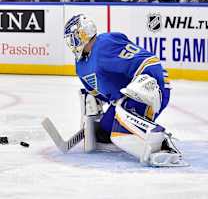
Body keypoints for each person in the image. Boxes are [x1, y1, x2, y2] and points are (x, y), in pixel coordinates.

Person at [63, 14, 187, 167]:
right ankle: (137, 130)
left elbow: (147, 61)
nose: (71, 44)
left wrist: (149, 81)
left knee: (121, 135)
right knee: (103, 133)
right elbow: (97, 94)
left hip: (151, 88)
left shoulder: (105, 44)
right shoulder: (81, 65)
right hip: (125, 98)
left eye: (73, 38)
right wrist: (90, 108)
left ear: (83, 34)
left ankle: (162, 144)